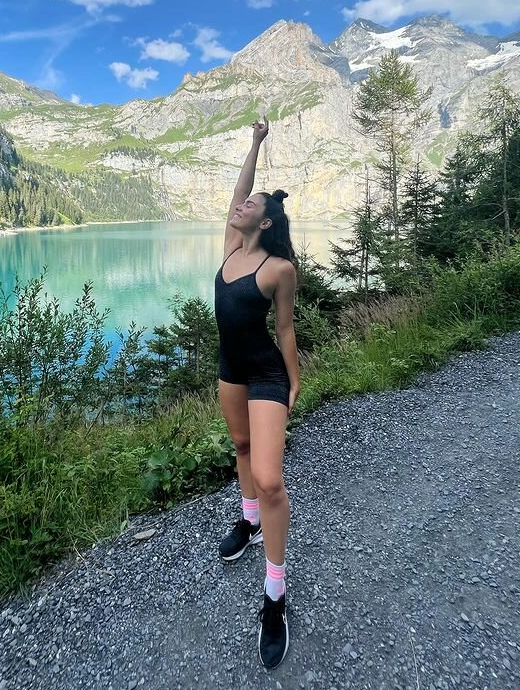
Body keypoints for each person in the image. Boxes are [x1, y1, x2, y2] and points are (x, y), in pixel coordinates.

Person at [214, 114, 300, 670]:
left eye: (252, 205)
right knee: (242, 449)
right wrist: (254, 142)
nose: (240, 205)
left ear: (265, 222)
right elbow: (238, 191)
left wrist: (295, 381)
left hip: (266, 374)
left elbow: (285, 330)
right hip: (230, 371)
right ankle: (247, 521)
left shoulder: (278, 268)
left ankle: (275, 594)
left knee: (270, 478)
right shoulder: (230, 246)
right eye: (241, 204)